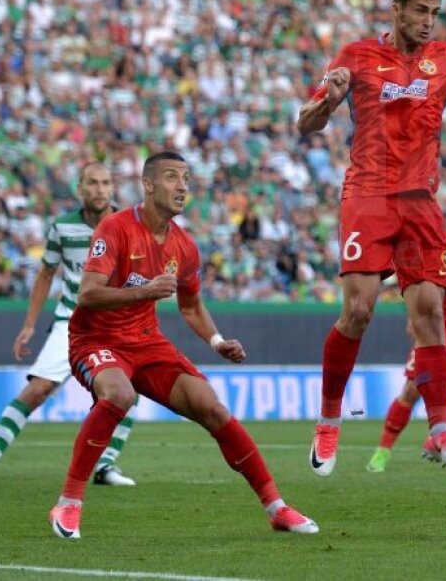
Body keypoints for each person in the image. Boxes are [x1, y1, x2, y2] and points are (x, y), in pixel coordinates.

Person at [48, 152, 316, 538]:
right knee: (119, 395)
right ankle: (69, 503)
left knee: (213, 408)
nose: (183, 186)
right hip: (96, 340)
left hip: (147, 343)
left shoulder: (185, 247)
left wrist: (216, 340)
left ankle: (276, 508)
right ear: (149, 184)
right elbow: (88, 294)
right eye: (172, 177)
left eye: (187, 178)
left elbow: (191, 306)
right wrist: (144, 293)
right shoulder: (115, 227)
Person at [298, 0, 446, 475]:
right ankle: (329, 419)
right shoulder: (354, 57)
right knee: (358, 311)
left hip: (421, 201)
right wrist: (327, 102)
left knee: (431, 316)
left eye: (434, 13)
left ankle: (441, 429)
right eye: (419, 11)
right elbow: (304, 123)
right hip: (369, 197)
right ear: (396, 11)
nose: (427, 22)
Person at [0, 162, 138, 489]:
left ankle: (106, 464)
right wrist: (29, 325)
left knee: (127, 393)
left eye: (105, 183)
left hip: (113, 325)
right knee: (38, 389)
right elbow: (45, 275)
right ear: (80, 188)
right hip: (71, 321)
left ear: (112, 188)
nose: (100, 189)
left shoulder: (128, 226)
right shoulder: (62, 227)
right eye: (92, 183)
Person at [366, 232, 446, 473]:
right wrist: (415, 315)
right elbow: (421, 279)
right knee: (411, 391)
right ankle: (382, 452)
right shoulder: (444, 243)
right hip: (436, 328)